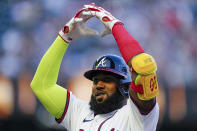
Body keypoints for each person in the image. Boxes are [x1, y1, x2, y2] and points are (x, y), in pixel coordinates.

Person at [31, 4, 159, 131]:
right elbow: (42, 86)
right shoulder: (77, 112)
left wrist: (115, 26)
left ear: (125, 87)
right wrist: (64, 37)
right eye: (96, 80)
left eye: (107, 79)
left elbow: (144, 66)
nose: (99, 85)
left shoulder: (138, 117)